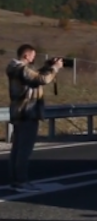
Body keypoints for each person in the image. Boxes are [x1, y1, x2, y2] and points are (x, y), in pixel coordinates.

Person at [5, 44, 63, 193]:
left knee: (17, 148)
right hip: (28, 112)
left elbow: (34, 77)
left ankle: (15, 180)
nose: (33, 58)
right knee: (24, 149)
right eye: (32, 55)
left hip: (18, 112)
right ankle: (21, 181)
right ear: (26, 55)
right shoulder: (21, 69)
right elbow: (42, 80)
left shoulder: (14, 69)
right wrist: (55, 68)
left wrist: (46, 67)